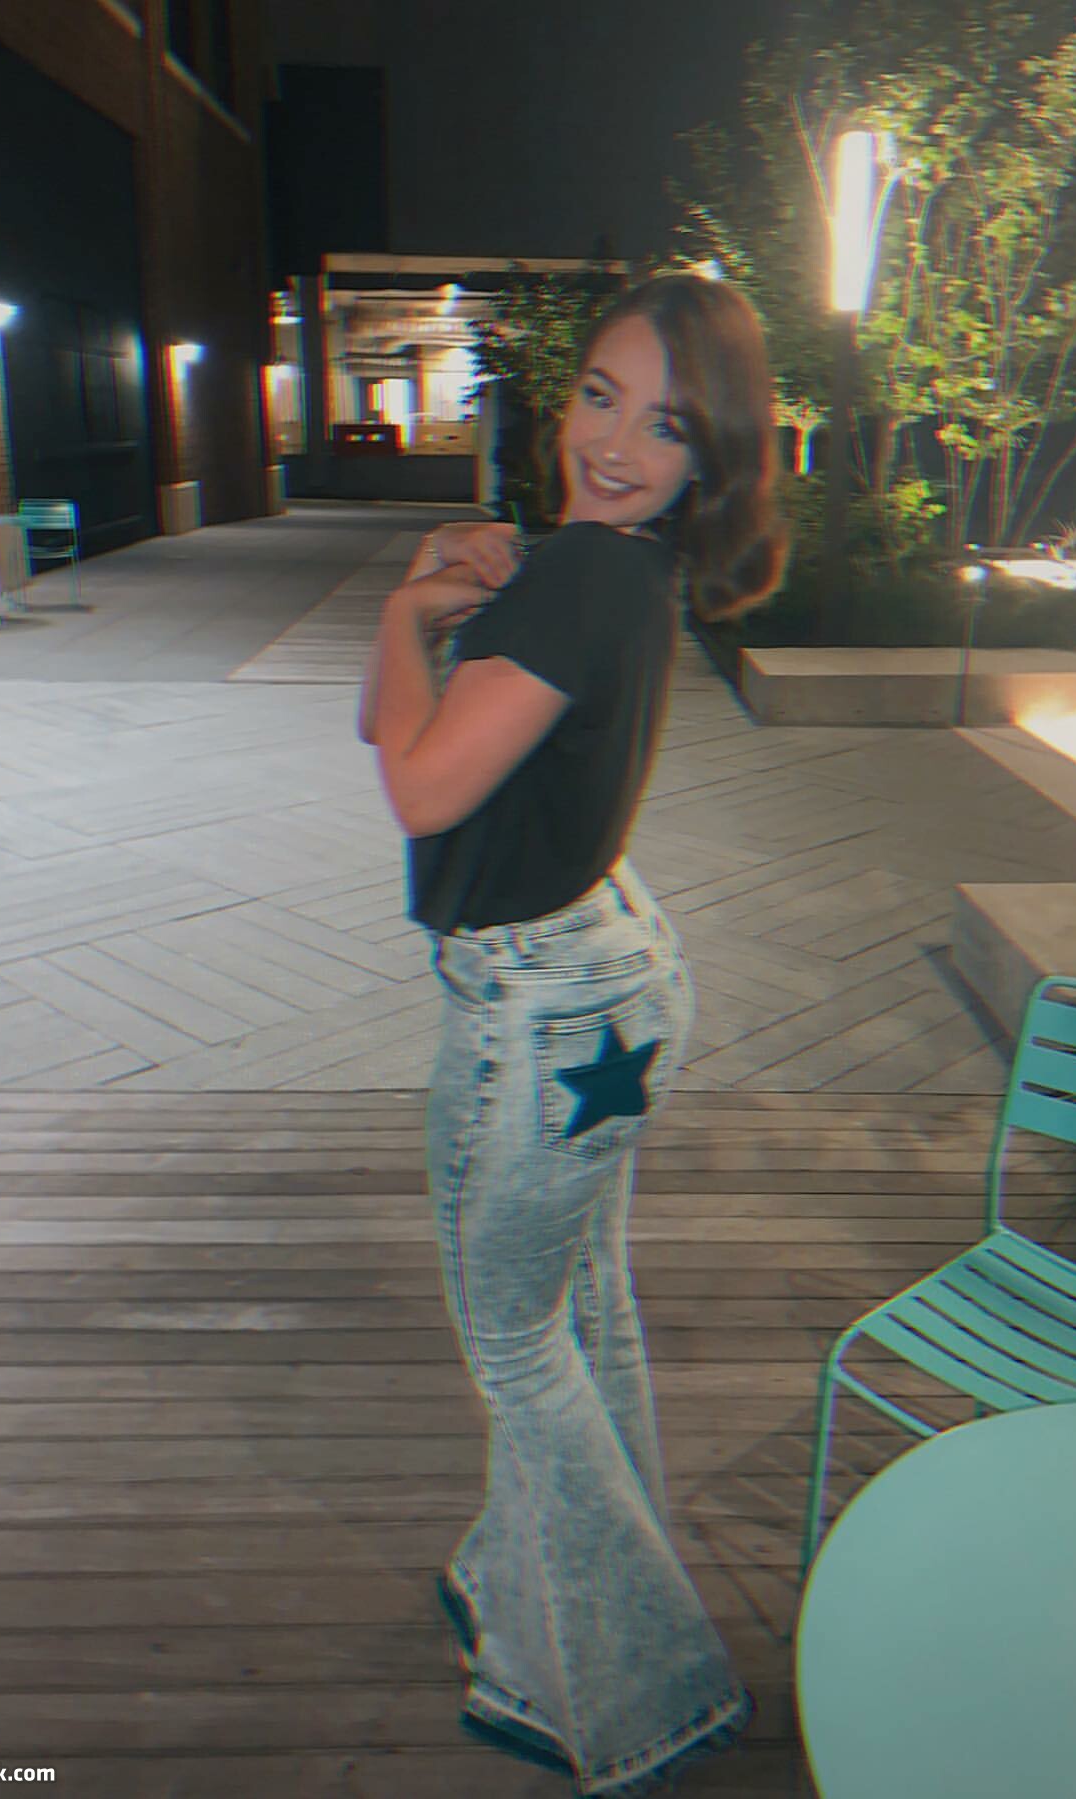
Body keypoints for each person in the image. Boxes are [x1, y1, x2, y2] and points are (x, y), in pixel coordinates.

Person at [358, 272, 789, 1795]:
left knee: (513, 1338)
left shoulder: (577, 575)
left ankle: (638, 1683)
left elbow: (420, 787)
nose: (612, 443)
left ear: (711, 456)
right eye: (600, 396)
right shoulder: (617, 567)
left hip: (539, 999)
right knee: (579, 1307)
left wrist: (413, 612)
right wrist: (437, 598)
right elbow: (418, 732)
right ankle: (522, 1572)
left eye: (665, 425)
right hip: (610, 977)